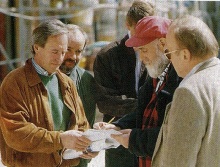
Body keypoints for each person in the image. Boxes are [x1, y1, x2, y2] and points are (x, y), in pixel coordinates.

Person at [0, 19, 98, 167]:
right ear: (37, 47)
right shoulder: (15, 82)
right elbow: (16, 133)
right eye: (55, 51)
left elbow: (81, 123)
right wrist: (60, 139)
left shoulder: (66, 83)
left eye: (63, 52)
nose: (60, 58)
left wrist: (88, 145)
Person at [94, 16, 182, 167]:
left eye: (144, 50)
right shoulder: (155, 75)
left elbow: (175, 136)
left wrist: (133, 139)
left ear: (162, 44)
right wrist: (118, 126)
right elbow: (141, 112)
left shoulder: (180, 80)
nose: (141, 58)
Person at [151, 15, 220, 166]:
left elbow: (178, 162)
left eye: (168, 53)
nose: (168, 59)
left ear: (184, 54)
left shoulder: (189, 92)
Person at [93, 1, 155, 166]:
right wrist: (145, 107)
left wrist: (129, 102)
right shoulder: (108, 55)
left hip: (147, 136)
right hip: (117, 138)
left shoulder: (157, 53)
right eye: (139, 28)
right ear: (128, 25)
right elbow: (105, 102)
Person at [60, 24, 96, 167]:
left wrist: (90, 151)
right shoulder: (40, 77)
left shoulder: (86, 81)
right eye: (68, 49)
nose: (72, 57)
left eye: (78, 51)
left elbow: (88, 126)